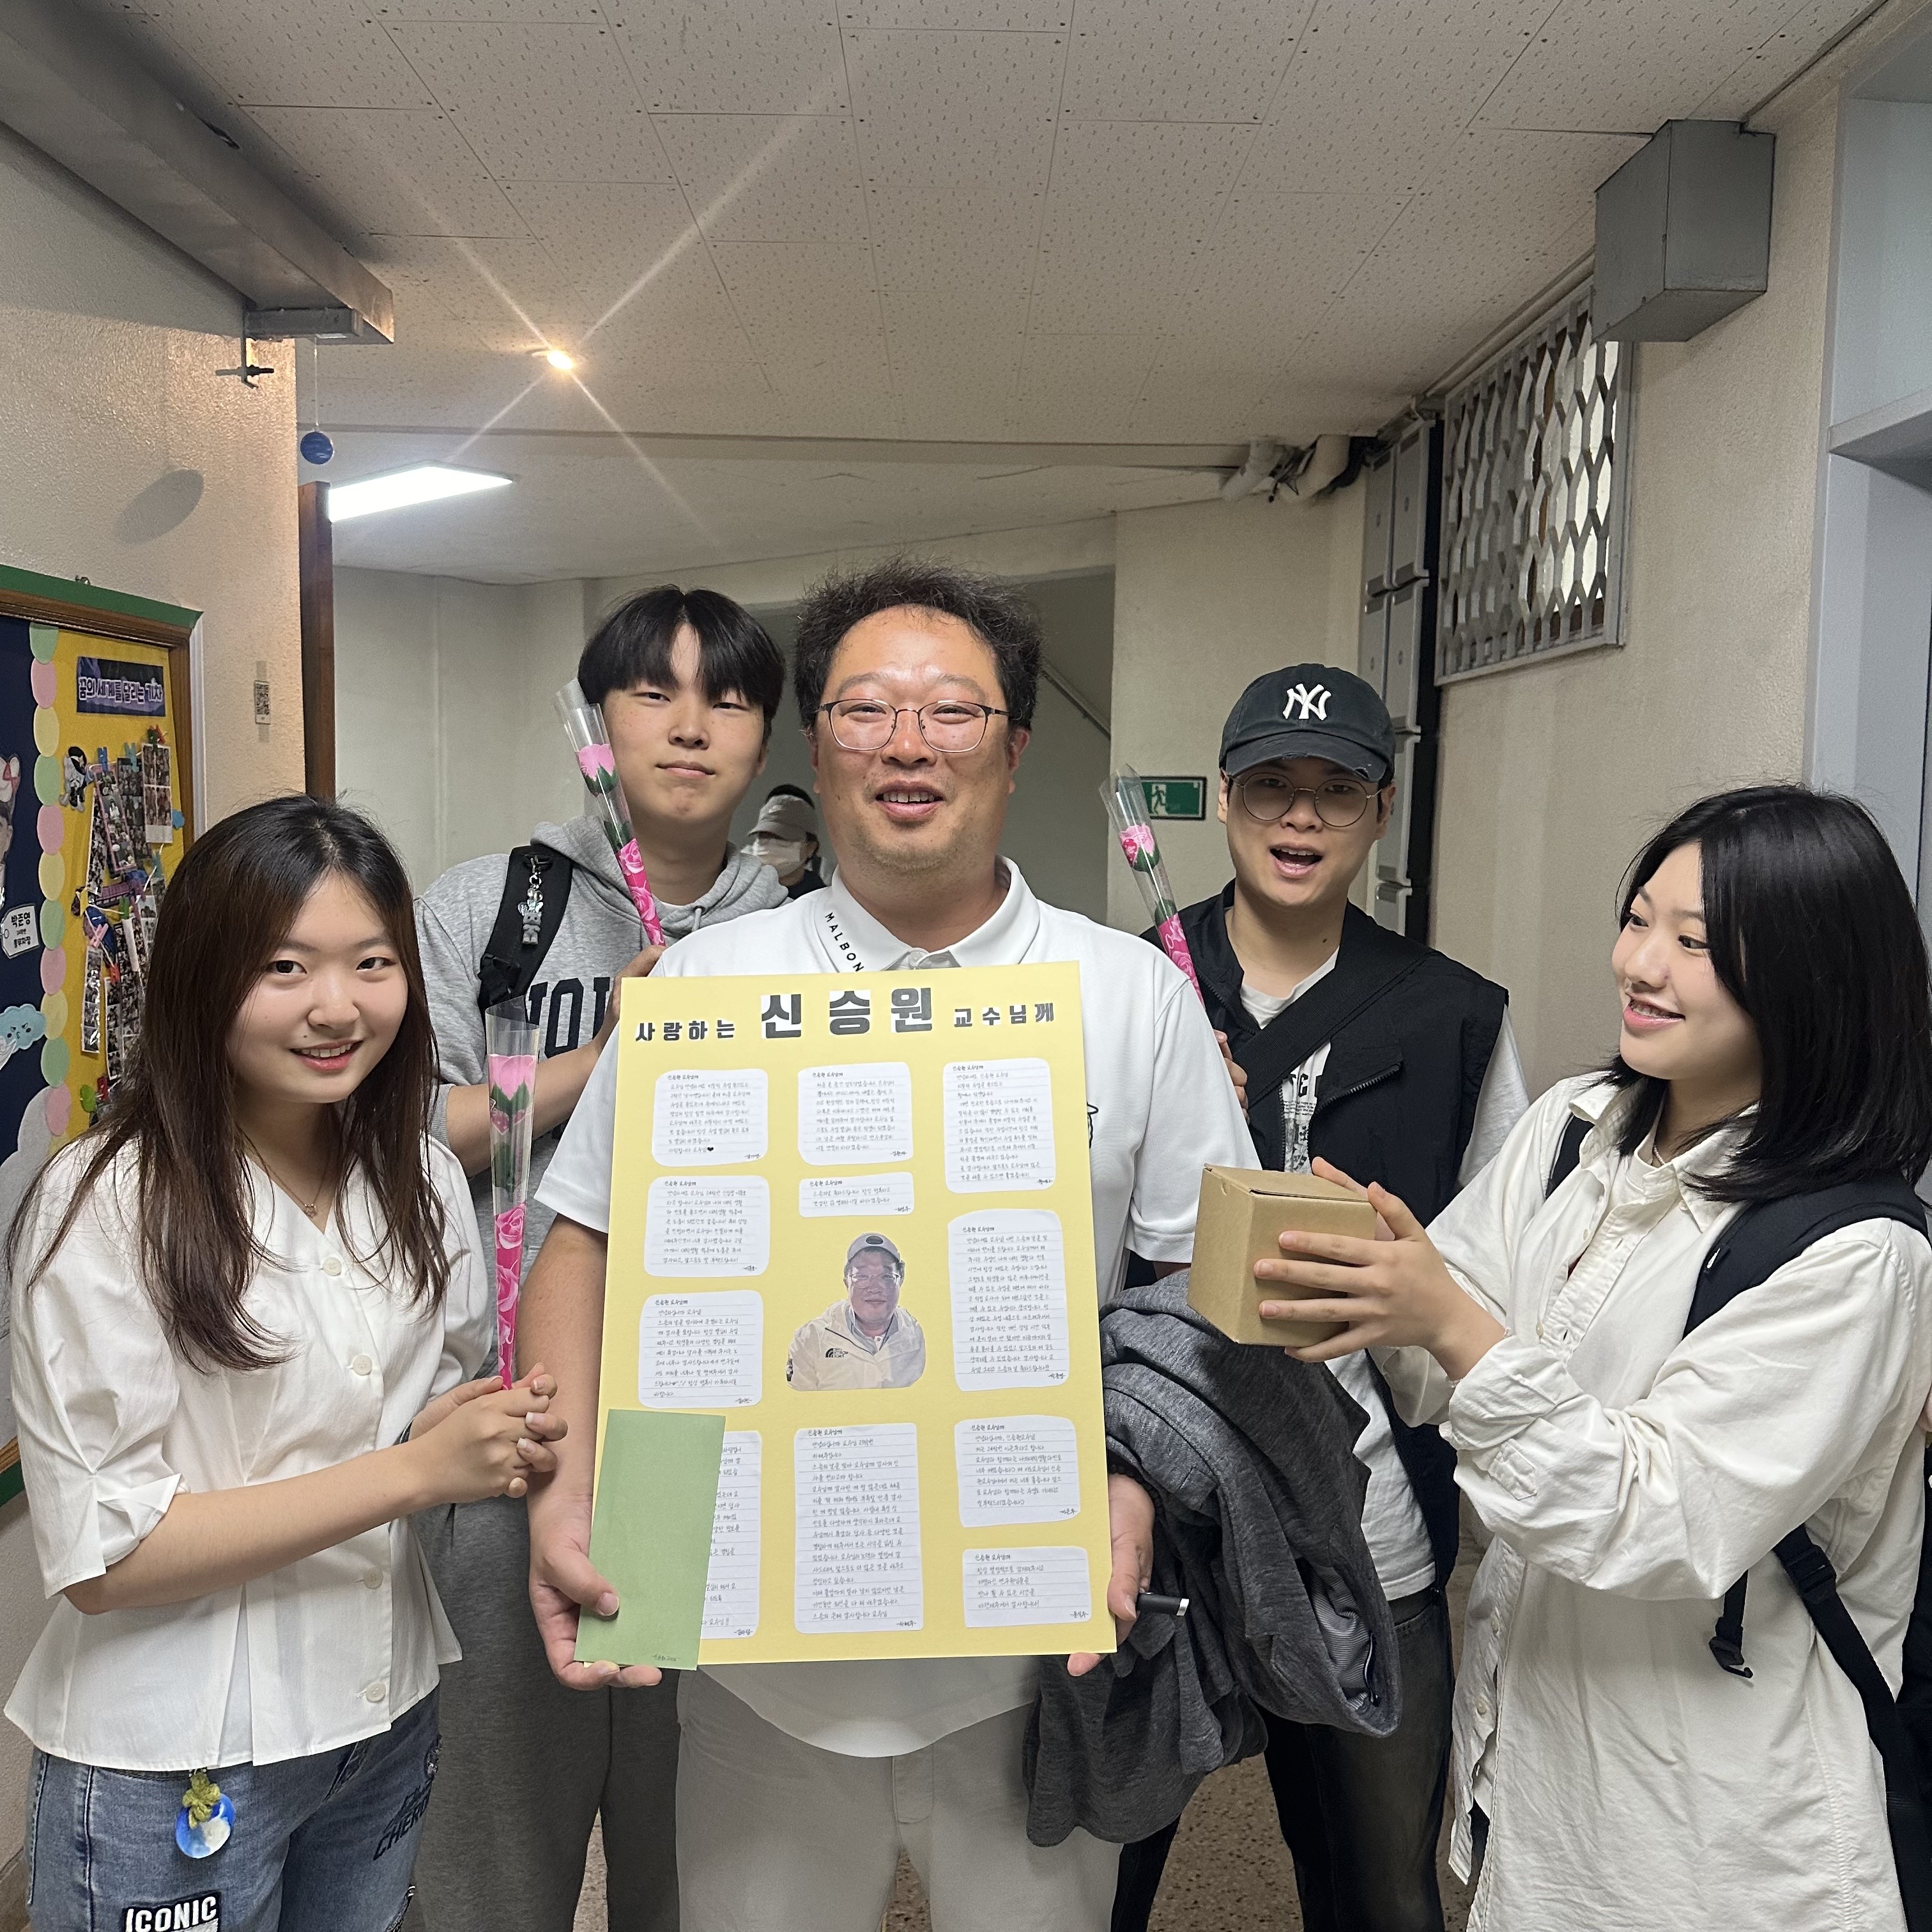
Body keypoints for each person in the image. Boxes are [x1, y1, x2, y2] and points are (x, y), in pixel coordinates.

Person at [520, 556, 1254, 1932]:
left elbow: (1193, 1283)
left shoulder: (1127, 995)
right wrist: (566, 1493)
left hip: (1033, 1649)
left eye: (952, 710)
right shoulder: (705, 986)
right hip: (753, 1663)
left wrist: (1138, 1479)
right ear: (817, 746)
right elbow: (591, 1242)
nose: (907, 743)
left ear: (1014, 748)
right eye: (865, 708)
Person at [1255, 785, 1932, 1931]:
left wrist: (1447, 1321)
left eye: (1695, 942)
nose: (1639, 964)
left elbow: (1654, 1517)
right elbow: (1447, 1358)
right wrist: (1376, 1292)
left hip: (1722, 1831)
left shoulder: (1855, 1254)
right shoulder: (1578, 1125)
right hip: (1541, 1758)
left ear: (1812, 975)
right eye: (1636, 919)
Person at [5, 796, 559, 1932]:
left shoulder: (417, 1174)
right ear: (203, 977)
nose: (337, 1006)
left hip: (381, 1708)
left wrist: (486, 1431)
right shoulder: (108, 1200)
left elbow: (414, 1410)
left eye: (372, 963)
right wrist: (416, 1471)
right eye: (285, 967)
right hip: (178, 1751)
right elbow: (108, 1553)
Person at [1116, 663, 1527, 1932]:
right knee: (1099, 1863)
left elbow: (1498, 1273)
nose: (1299, 818)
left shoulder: (1451, 1017)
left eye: (1335, 792)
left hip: (1364, 1512)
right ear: (1224, 799)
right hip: (1156, 1501)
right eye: (1269, 787)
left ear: (1379, 811)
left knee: (1380, 1886)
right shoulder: (1126, 990)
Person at [410, 585, 789, 1932]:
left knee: (699, 1836)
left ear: (763, 737)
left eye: (726, 699)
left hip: (716, 1422)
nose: (689, 726)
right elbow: (407, 1132)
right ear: (596, 720)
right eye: (651, 691)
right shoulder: (488, 907)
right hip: (518, 1417)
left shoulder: (802, 936)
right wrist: (610, 1051)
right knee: (499, 1837)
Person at [786, 1231, 926, 1390]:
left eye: (886, 1277)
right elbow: (798, 1400)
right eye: (862, 1276)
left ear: (900, 1280)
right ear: (847, 1282)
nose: (874, 1288)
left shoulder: (914, 1334)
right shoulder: (810, 1338)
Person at [743, 783, 826, 897]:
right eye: (764, 836)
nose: (770, 846)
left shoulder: (821, 898)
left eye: (781, 837)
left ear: (810, 848)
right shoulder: (740, 890)